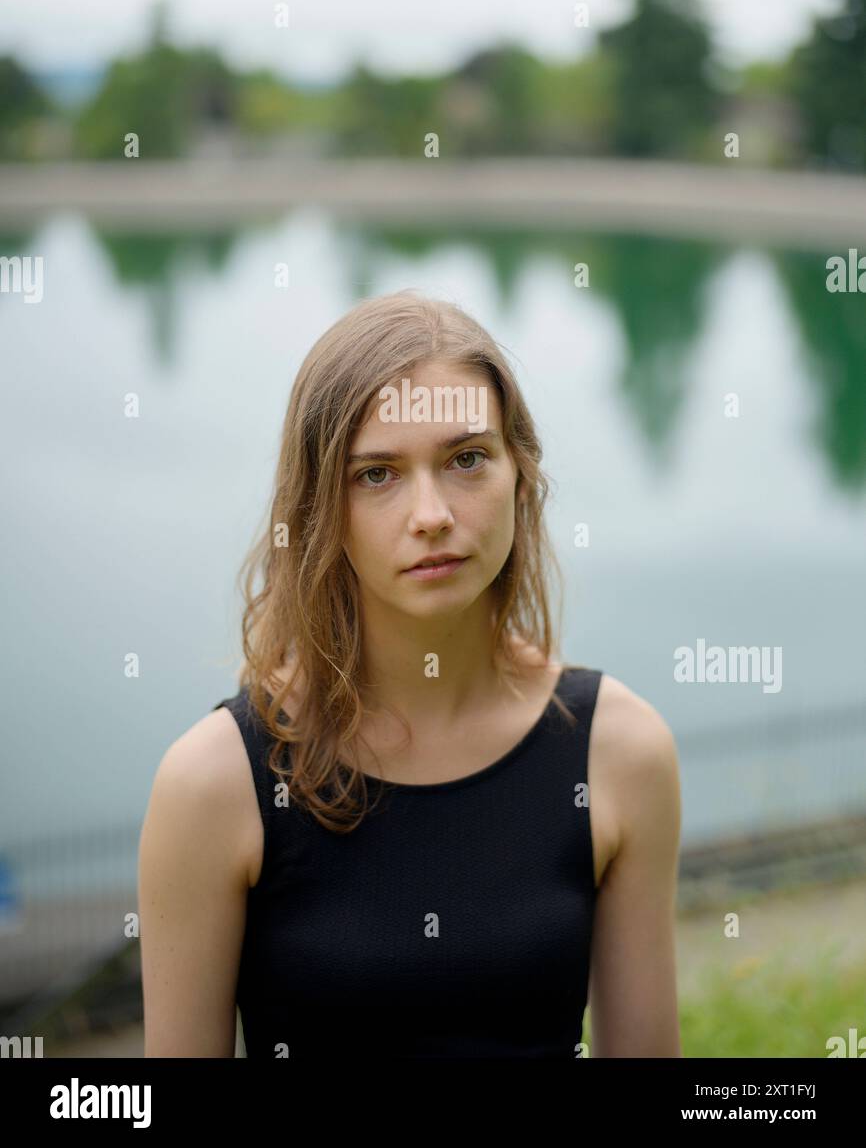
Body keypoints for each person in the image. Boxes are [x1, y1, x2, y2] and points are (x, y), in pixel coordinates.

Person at [138, 290, 682, 1058]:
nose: (431, 513)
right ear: (320, 506)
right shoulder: (216, 784)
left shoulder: (620, 752)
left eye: (467, 459)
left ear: (520, 474)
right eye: (377, 474)